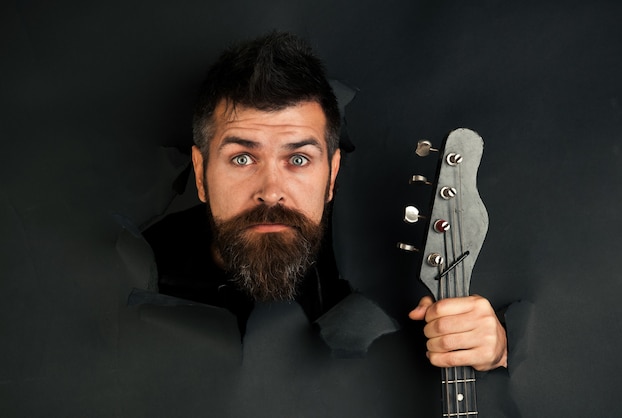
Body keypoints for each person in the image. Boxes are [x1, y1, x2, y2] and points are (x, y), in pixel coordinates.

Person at [144, 31, 507, 372]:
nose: (271, 192)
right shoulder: (138, 275)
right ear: (201, 171)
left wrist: (497, 351)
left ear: (331, 176)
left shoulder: (374, 277)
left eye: (298, 159)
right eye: (242, 158)